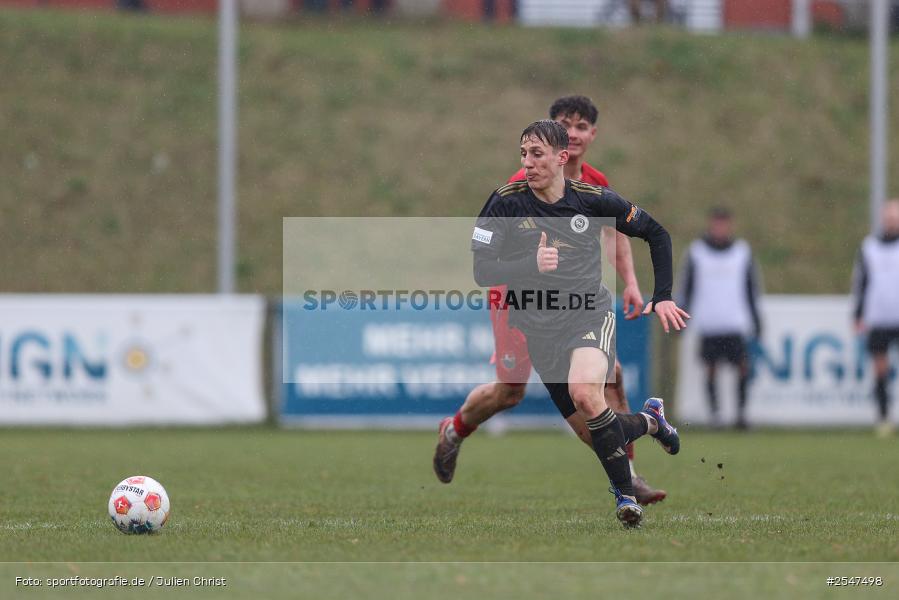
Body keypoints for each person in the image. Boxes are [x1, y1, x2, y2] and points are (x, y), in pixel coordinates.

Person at [433, 96, 666, 505]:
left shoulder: (594, 184)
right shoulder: (520, 187)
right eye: (564, 124)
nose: (573, 133)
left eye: (580, 126)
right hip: (515, 300)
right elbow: (487, 262)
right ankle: (454, 430)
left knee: (606, 376)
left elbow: (616, 233)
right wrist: (530, 265)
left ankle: (628, 476)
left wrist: (631, 281)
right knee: (510, 392)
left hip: (573, 306)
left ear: (590, 136)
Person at [679, 207, 762, 429]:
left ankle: (741, 414)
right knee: (711, 368)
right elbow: (687, 288)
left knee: (742, 367)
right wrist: (681, 316)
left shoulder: (742, 252)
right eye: (717, 223)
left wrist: (756, 319)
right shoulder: (697, 252)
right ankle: (715, 415)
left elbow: (750, 288)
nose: (720, 228)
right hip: (709, 322)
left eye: (724, 224)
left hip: (734, 321)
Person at [852, 199, 899, 437]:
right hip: (879, 318)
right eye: (889, 218)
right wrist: (858, 314)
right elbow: (861, 283)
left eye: (896, 218)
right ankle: (883, 417)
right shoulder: (869, 247)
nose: (892, 222)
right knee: (880, 370)